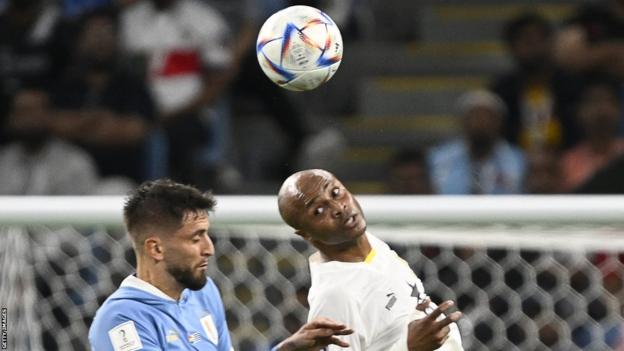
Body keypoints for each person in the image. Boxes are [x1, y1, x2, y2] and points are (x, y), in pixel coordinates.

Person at [88, 178, 353, 351]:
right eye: (196, 238)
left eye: (208, 235)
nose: (209, 249)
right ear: (155, 248)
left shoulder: (203, 292)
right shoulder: (122, 318)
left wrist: (289, 349)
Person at [277, 169, 464, 350]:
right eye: (318, 211)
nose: (338, 208)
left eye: (335, 193)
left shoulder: (369, 242)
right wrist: (408, 347)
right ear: (306, 234)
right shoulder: (336, 295)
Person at [0, 88, 98, 195]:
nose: (29, 119)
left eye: (35, 111)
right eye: (22, 112)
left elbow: (87, 207)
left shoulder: (75, 162)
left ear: (50, 115)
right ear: (11, 119)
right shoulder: (3, 161)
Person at [427, 90, 526, 194]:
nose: (481, 122)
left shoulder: (518, 160)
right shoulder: (438, 159)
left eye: (488, 117)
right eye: (475, 116)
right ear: (463, 121)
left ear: (500, 122)